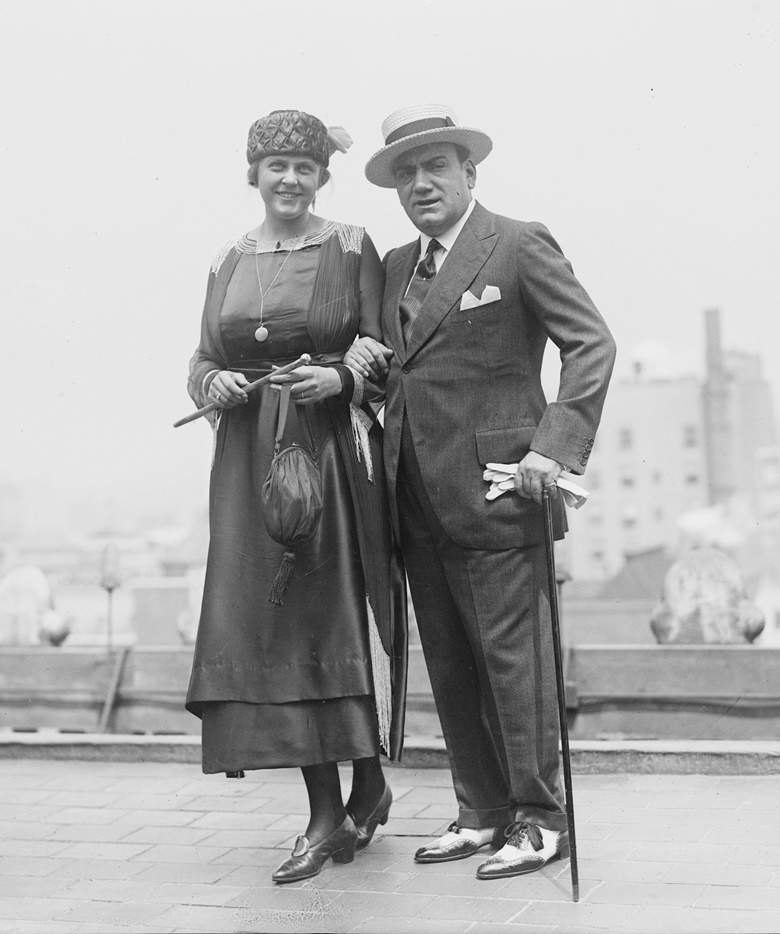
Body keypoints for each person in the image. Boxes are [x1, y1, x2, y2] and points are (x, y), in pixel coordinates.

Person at [346, 104, 616, 880]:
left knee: (514, 663)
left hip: (501, 491)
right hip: (414, 498)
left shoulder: (518, 242)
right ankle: (482, 811)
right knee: (451, 661)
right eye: (406, 173)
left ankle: (541, 818)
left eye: (436, 166)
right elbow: (406, 372)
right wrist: (365, 370)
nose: (421, 183)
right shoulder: (395, 265)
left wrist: (551, 449)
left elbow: (591, 344)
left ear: (470, 172)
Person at [185, 109, 407, 885]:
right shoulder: (227, 258)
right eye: (276, 166)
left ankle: (343, 805)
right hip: (249, 459)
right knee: (272, 624)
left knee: (324, 615)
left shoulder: (350, 247)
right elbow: (202, 356)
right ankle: (346, 798)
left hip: (326, 452)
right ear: (254, 174)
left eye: (304, 167)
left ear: (322, 177)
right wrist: (212, 381)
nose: (289, 179)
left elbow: (381, 345)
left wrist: (340, 377)